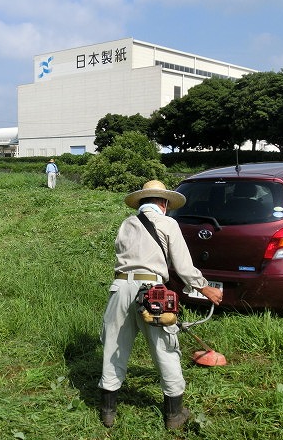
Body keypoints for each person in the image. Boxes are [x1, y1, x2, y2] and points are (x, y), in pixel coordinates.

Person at [98, 180, 223, 430]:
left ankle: (108, 413)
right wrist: (204, 287)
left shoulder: (126, 224)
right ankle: (174, 415)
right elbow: (183, 266)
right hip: (151, 293)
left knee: (113, 349)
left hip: (120, 289)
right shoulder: (168, 223)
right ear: (163, 204)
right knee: (165, 350)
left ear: (142, 202)